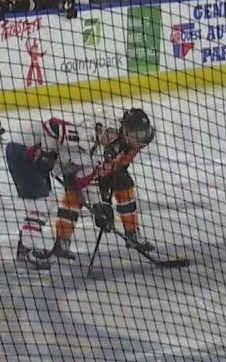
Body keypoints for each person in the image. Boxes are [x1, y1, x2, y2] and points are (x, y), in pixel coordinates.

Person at [51, 108, 157, 261]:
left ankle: (132, 233)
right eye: (137, 135)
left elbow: (121, 162)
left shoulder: (142, 138)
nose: (141, 139)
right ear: (125, 131)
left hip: (108, 167)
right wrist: (102, 203)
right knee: (74, 195)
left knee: (124, 182)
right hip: (82, 164)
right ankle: (62, 240)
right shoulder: (108, 139)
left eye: (143, 133)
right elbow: (95, 169)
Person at [3, 117, 99, 271]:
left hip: (24, 151)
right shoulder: (80, 135)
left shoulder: (93, 156)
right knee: (42, 203)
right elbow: (51, 126)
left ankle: (26, 249)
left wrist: (97, 205)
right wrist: (47, 152)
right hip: (23, 149)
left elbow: (83, 181)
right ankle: (26, 251)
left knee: (45, 202)